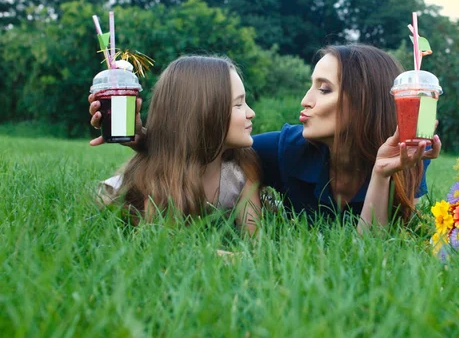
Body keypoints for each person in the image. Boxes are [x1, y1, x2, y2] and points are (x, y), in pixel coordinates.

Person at [90, 45, 440, 230]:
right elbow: (203, 139)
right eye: (311, 85)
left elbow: (373, 252)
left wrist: (382, 174)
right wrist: (140, 136)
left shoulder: (405, 160)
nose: (306, 100)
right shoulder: (287, 149)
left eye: (325, 89)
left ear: (364, 104)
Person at [94, 55, 261, 233]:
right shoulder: (159, 178)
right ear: (204, 114)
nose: (251, 113)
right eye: (238, 104)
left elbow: (254, 242)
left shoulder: (241, 170)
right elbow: (162, 242)